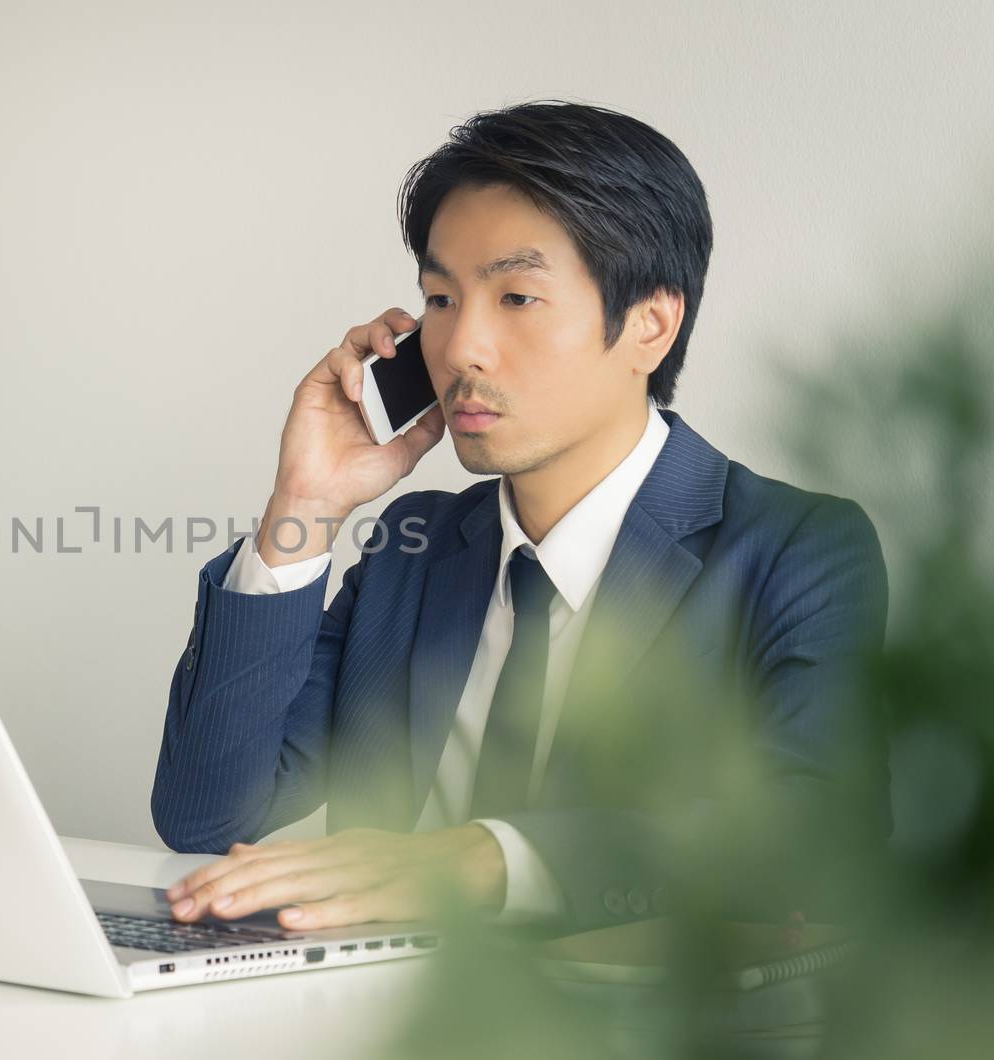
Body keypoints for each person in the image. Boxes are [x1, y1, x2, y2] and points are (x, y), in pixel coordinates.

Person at [149, 100, 890, 933]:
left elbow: (814, 848)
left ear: (650, 324)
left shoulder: (797, 549)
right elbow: (205, 816)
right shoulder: (412, 547)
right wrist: (305, 509)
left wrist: (481, 857)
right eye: (439, 297)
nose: (462, 347)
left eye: (517, 298)